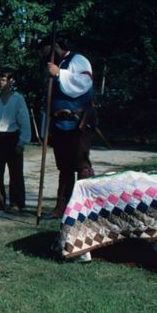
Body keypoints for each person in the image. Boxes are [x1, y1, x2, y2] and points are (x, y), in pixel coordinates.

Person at [39, 37, 95, 219]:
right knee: (64, 168)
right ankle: (62, 207)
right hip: (58, 124)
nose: (43, 53)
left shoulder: (78, 60)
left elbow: (84, 83)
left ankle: (85, 208)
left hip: (76, 123)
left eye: (45, 49)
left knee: (82, 167)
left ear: (55, 46)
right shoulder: (56, 65)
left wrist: (59, 74)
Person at [0, 68, 31, 213]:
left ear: (10, 81)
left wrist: (22, 142)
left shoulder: (17, 99)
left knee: (16, 173)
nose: (0, 82)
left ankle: (16, 203)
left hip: (13, 138)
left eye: (4, 79)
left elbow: (24, 121)